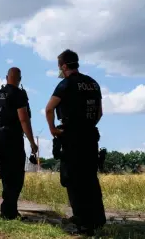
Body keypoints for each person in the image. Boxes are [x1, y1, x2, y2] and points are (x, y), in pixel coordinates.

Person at [45, 49, 106, 236]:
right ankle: (97, 220)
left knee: (73, 179)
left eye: (59, 67)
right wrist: (88, 126)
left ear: (64, 66)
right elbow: (99, 113)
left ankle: (83, 223)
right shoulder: (93, 83)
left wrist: (53, 129)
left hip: (71, 136)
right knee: (90, 178)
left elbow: (49, 109)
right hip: (90, 135)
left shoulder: (65, 85)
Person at [0, 67, 38, 220]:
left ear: (6, 77)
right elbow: (24, 118)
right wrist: (32, 142)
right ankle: (10, 211)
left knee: (5, 172)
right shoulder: (18, 94)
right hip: (13, 136)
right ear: (20, 79)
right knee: (16, 173)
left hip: (0, 134)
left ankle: (7, 209)